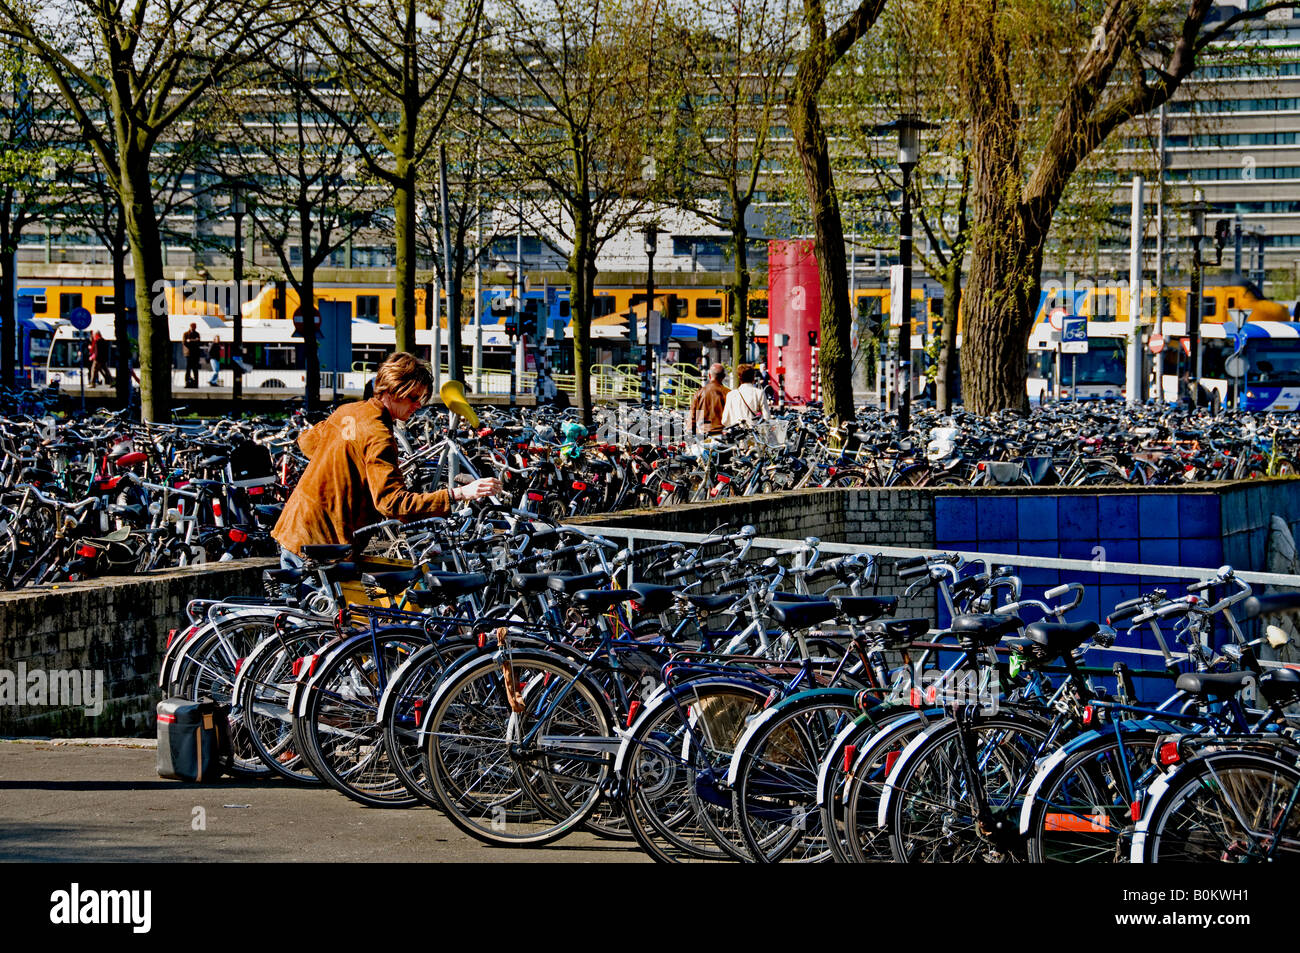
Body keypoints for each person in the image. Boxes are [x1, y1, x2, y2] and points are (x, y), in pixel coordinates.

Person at [272, 351, 501, 568]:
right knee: (330, 608)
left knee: (297, 606)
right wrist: (458, 494)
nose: (418, 405)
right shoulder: (379, 434)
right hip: (323, 544)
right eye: (413, 397)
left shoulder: (347, 410)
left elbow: (307, 443)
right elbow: (392, 503)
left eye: (421, 399)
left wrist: (347, 468)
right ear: (391, 391)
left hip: (296, 528)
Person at [721, 363, 771, 429]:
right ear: (753, 377)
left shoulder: (731, 395)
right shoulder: (759, 393)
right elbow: (766, 417)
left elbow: (724, 420)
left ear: (739, 377)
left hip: (737, 435)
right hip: (753, 434)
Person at [688, 362, 729, 436]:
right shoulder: (728, 393)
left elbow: (692, 415)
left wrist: (690, 431)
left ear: (709, 375)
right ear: (723, 377)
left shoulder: (699, 393)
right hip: (722, 433)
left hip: (702, 432)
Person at [182, 323, 202, 388]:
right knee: (188, 369)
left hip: (195, 354)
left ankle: (196, 383)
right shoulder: (186, 334)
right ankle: (187, 382)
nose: (193, 328)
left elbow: (198, 342)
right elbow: (184, 342)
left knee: (195, 369)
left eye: (194, 327)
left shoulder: (197, 334)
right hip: (188, 353)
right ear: (190, 327)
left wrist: (190, 341)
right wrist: (194, 341)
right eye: (192, 327)